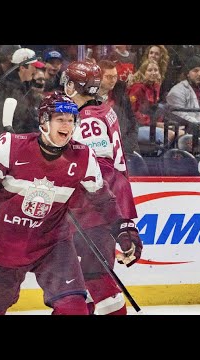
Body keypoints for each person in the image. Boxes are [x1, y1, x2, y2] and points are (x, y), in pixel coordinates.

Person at [0, 92, 139, 315]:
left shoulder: (84, 157)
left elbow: (102, 200)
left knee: (74, 310)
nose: (67, 126)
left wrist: (123, 228)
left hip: (53, 244)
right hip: (4, 243)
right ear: (43, 121)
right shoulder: (11, 146)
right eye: (60, 119)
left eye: (71, 120)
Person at [62, 60, 142, 315]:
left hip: (96, 209)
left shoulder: (88, 119)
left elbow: (102, 170)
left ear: (75, 86)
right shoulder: (101, 110)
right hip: (99, 206)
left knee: (96, 277)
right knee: (81, 280)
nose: (64, 86)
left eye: (68, 82)